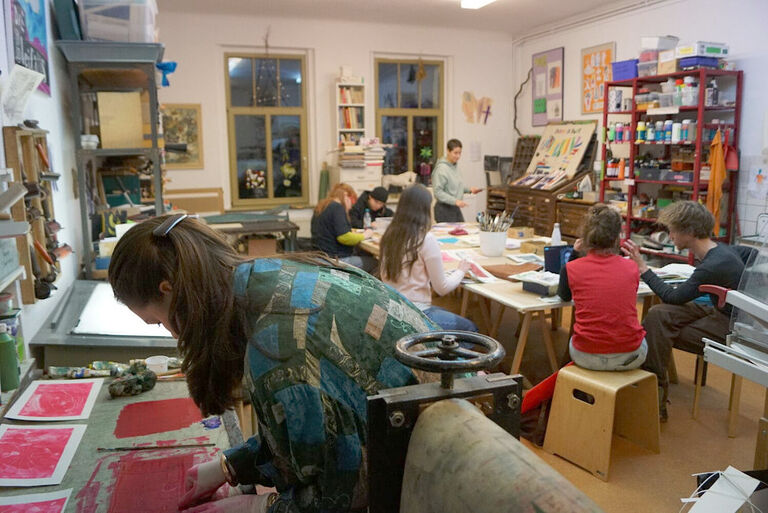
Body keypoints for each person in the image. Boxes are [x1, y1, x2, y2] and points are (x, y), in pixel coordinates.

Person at [108, 214, 438, 513]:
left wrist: (257, 507)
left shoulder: (276, 345)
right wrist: (228, 466)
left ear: (169, 291)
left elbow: (339, 497)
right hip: (423, 424)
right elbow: (309, 433)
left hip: (441, 470)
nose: (170, 334)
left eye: (158, 322)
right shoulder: (271, 277)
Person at [621, 201, 745, 421]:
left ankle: (653, 396)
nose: (670, 235)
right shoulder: (722, 250)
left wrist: (643, 268)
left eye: (673, 230)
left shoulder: (712, 265)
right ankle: (652, 389)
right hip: (721, 311)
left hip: (732, 327)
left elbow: (673, 296)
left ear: (688, 232)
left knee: (658, 330)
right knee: (658, 315)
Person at [557, 204, 647, 371]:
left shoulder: (571, 268)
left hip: (586, 355)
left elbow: (564, 296)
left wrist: (575, 254)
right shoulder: (632, 268)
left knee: (572, 339)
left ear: (585, 237)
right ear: (616, 238)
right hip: (630, 356)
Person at [379, 184, 477, 332]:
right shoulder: (425, 238)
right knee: (470, 328)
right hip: (416, 313)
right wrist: (461, 271)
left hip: (391, 309)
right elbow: (442, 288)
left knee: (445, 313)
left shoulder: (389, 235)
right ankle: (432, 353)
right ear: (424, 209)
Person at [311, 183, 377, 274]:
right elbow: (344, 237)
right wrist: (365, 235)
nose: (351, 206)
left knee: (365, 255)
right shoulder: (337, 207)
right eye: (352, 200)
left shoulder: (322, 206)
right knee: (376, 262)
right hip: (335, 260)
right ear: (346, 196)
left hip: (320, 257)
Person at [431, 139, 482, 223]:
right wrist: (455, 201)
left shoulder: (454, 167)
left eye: (460, 153)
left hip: (454, 207)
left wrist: (470, 190)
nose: (458, 156)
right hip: (444, 209)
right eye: (455, 153)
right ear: (448, 151)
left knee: (462, 231)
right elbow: (438, 192)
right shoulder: (441, 169)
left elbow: (455, 186)